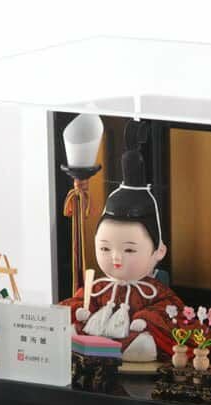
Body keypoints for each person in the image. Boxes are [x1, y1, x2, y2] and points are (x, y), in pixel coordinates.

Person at [60, 132, 191, 362]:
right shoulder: (99, 287)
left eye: (129, 250)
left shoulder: (153, 290)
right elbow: (79, 301)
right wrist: (81, 309)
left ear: (159, 251)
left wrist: (145, 317)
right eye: (105, 249)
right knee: (67, 329)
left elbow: (169, 309)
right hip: (94, 336)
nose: (116, 258)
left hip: (132, 337)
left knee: (143, 343)